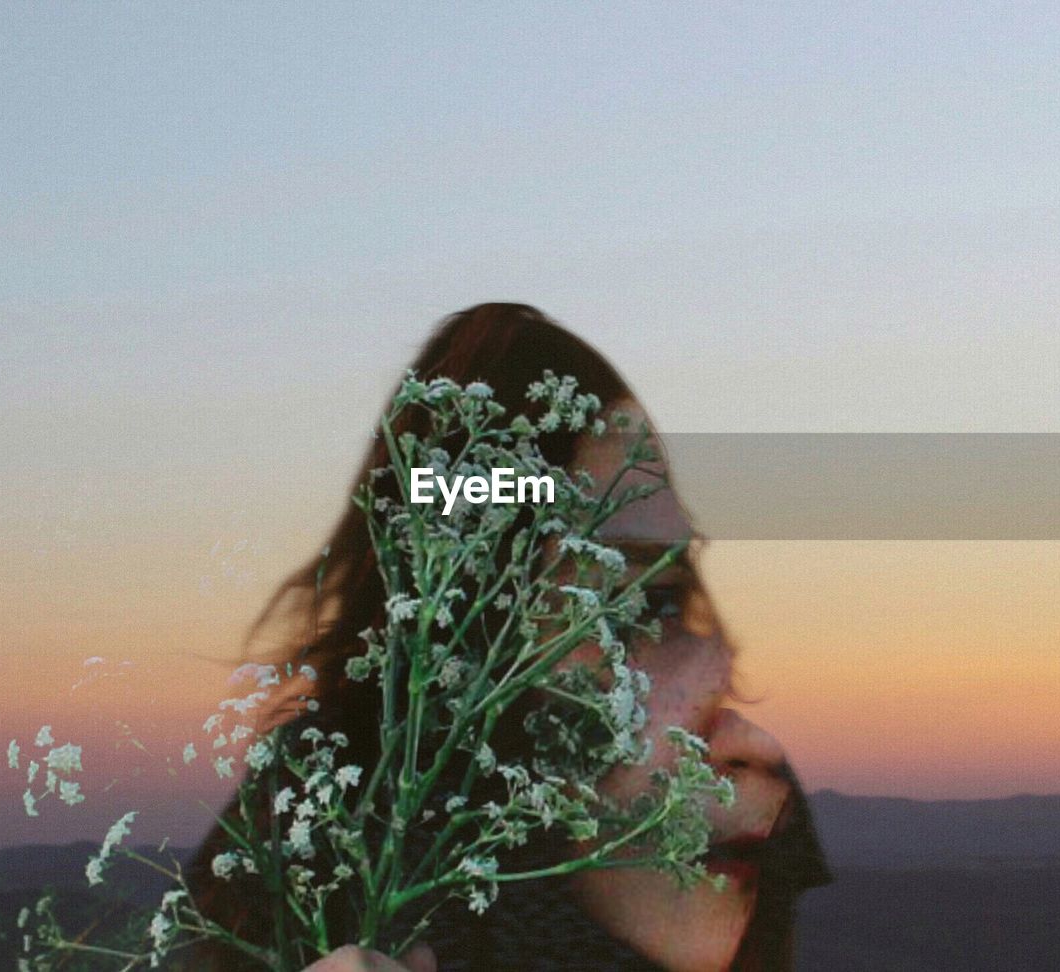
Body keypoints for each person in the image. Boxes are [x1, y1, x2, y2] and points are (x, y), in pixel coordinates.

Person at [191, 304, 831, 971]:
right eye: (628, 595)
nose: (705, 658)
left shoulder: (726, 793)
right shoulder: (326, 803)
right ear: (477, 588)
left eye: (670, 597)